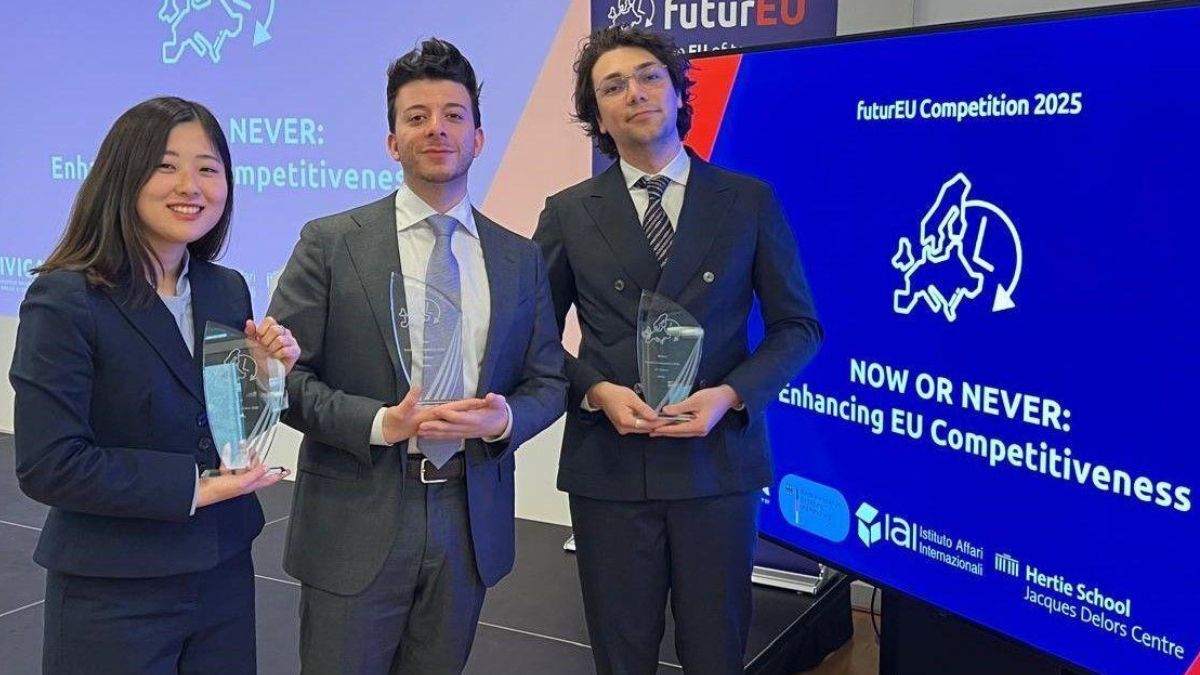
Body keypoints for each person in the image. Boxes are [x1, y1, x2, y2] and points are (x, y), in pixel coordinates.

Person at [268, 38, 566, 675]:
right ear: (392, 141)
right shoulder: (329, 243)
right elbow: (282, 378)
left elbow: (549, 379)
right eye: (416, 116)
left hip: (468, 517)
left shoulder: (519, 258)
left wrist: (505, 421)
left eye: (454, 115)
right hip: (356, 513)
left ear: (479, 138)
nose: (437, 129)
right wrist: (380, 423)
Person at [533, 27, 824, 675]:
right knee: (621, 651)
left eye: (648, 76)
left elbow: (798, 327)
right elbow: (533, 340)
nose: (634, 93)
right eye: (613, 86)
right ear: (598, 115)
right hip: (609, 466)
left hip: (717, 465)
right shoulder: (568, 212)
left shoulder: (748, 202)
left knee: (716, 649)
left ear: (676, 91)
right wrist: (594, 389)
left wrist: (731, 395)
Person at [10, 96, 300, 675]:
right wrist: (196, 487)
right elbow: (50, 465)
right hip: (114, 588)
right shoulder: (66, 299)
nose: (190, 186)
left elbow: (220, 427)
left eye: (209, 168)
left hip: (222, 571)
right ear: (122, 176)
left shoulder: (226, 287)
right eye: (166, 166)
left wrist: (268, 378)